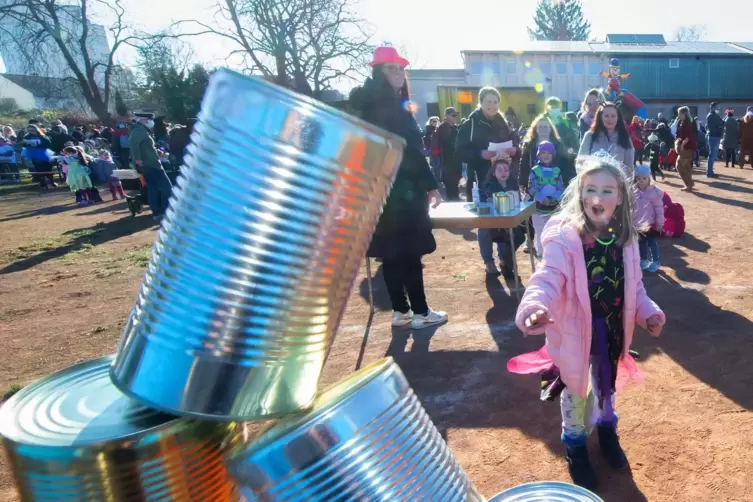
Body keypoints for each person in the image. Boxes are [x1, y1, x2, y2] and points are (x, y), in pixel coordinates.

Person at [510, 157, 665, 490]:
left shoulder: (626, 238)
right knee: (576, 395)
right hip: (573, 337)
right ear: (580, 194)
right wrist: (534, 306)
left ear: (621, 196)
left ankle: (608, 433)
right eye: (590, 189)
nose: (598, 196)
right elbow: (547, 277)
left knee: (606, 392)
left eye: (607, 190)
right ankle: (576, 446)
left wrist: (647, 312)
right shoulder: (564, 237)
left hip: (610, 335)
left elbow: (634, 285)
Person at [350, 46, 447, 329]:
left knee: (392, 254)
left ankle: (401, 311)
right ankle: (420, 312)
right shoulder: (387, 105)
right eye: (390, 68)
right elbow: (412, 151)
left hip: (380, 191)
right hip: (401, 192)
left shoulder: (370, 103)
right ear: (378, 71)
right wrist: (430, 184)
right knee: (408, 254)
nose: (397, 73)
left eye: (400, 68)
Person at [455, 86, 520, 201]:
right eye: (489, 101)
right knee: (485, 216)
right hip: (480, 181)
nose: (492, 105)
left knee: (508, 215)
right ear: (481, 102)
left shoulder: (505, 124)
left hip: (505, 182)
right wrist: (480, 154)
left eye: (495, 102)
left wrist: (515, 151)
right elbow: (459, 152)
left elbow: (517, 149)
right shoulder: (470, 125)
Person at [478, 157, 526, 278]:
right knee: (483, 229)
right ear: (493, 173)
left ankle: (505, 260)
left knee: (519, 236)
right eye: (499, 170)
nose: (503, 173)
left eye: (506, 170)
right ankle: (489, 261)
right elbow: (482, 205)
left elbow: (518, 204)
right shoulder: (486, 186)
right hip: (492, 222)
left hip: (509, 222)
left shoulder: (513, 184)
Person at [129, 115, 173, 220]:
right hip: (151, 164)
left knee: (153, 189)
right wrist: (138, 159)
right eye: (150, 120)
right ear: (144, 120)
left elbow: (146, 146)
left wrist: (157, 152)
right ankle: (165, 210)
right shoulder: (139, 131)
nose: (151, 122)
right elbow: (133, 143)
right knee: (167, 188)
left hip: (149, 163)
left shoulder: (142, 130)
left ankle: (157, 213)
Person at [579, 102, 635, 177]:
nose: (610, 119)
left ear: (618, 118)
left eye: (613, 116)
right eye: (606, 116)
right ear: (600, 117)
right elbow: (580, 162)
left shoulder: (625, 138)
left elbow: (629, 169)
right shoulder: (590, 136)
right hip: (593, 184)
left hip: (616, 186)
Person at [528, 141, 563, 257]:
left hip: (554, 209)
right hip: (538, 210)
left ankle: (554, 257)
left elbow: (560, 187)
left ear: (553, 155)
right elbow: (532, 188)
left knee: (554, 233)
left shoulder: (557, 170)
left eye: (549, 153)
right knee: (540, 233)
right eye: (543, 153)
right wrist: (542, 199)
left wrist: (556, 198)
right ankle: (541, 257)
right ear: (538, 154)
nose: (546, 155)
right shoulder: (534, 170)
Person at [633, 164, 664, 272]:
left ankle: (656, 261)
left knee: (652, 244)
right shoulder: (633, 192)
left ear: (649, 178)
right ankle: (644, 260)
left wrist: (659, 223)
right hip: (639, 224)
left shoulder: (654, 193)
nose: (641, 181)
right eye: (638, 178)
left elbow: (659, 209)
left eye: (644, 178)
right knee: (641, 243)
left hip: (651, 224)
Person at [435, 107, 461, 200]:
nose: (455, 117)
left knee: (456, 184)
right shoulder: (442, 128)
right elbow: (440, 145)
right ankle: (452, 203)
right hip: (447, 161)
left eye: (456, 115)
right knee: (450, 185)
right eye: (453, 115)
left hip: (456, 161)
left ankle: (455, 199)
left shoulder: (455, 128)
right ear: (446, 116)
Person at [674, 106, 698, 191]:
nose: (678, 115)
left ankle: (689, 184)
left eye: (680, 114)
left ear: (684, 114)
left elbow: (689, 136)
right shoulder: (682, 122)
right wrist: (679, 140)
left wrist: (682, 145)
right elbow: (681, 135)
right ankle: (689, 185)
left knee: (679, 165)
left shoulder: (687, 123)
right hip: (688, 146)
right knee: (687, 166)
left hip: (687, 147)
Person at [705, 102, 724, 177]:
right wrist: (720, 127)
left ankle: (710, 172)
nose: (718, 109)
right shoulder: (711, 116)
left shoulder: (714, 115)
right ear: (713, 107)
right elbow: (721, 123)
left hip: (715, 136)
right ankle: (709, 173)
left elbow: (722, 122)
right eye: (716, 108)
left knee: (713, 155)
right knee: (712, 155)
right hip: (713, 136)